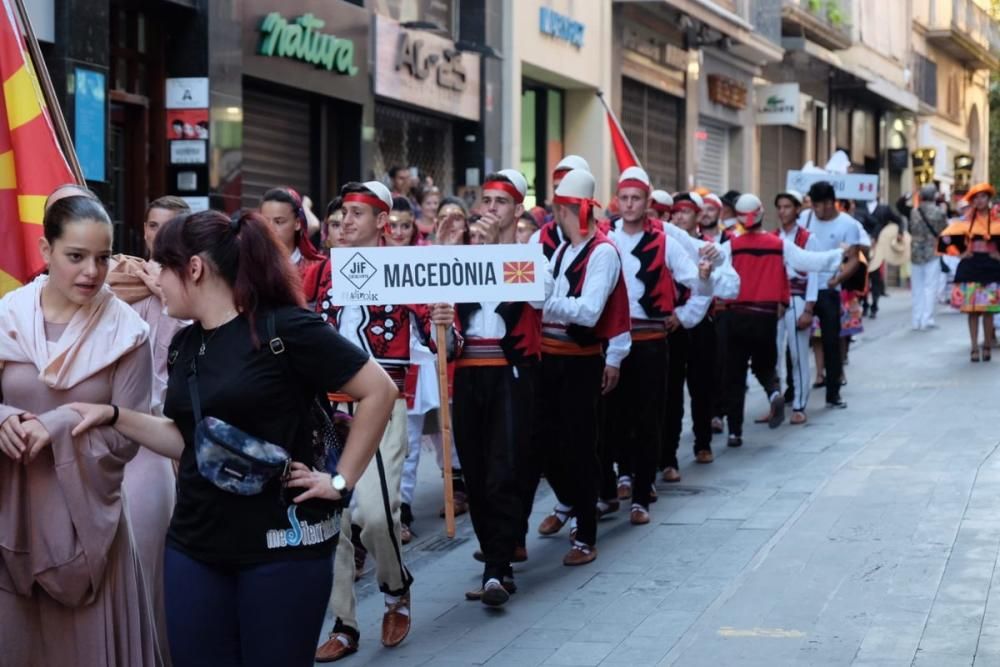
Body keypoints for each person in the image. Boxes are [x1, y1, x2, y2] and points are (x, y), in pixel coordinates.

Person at [70, 208, 396, 667]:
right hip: (194, 544)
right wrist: (115, 414)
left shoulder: (284, 329)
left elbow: (379, 390)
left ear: (195, 268)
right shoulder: (185, 344)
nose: (155, 277)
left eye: (162, 266)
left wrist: (340, 482)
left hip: (281, 548)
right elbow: (192, 441)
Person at [0, 196, 161, 666]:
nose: (92, 271)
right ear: (45, 250)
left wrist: (62, 425)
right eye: (76, 256)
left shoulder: (127, 332)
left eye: (103, 257)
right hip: (10, 507)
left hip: (88, 522)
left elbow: (128, 437)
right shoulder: (6, 317)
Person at [313, 181, 459, 662]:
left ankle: (396, 586)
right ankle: (344, 622)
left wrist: (443, 319)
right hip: (326, 406)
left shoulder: (405, 271)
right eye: (341, 215)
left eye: (357, 213)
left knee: (375, 515)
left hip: (384, 404)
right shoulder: (320, 275)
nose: (346, 222)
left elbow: (449, 344)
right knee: (330, 516)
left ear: (382, 221)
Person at [451, 169, 550, 605]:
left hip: (510, 372)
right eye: (486, 201)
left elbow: (541, 295)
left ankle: (498, 567)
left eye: (500, 203)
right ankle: (496, 554)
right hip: (468, 371)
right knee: (474, 471)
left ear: (518, 210)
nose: (490, 210)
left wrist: (493, 251)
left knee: (503, 468)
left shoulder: (532, 253)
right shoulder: (461, 254)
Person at [531, 168, 630, 566]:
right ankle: (571, 502)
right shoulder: (561, 250)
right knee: (545, 445)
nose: (556, 214)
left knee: (579, 447)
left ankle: (586, 533)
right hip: (549, 358)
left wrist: (544, 301)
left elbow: (589, 313)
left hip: (579, 362)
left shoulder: (603, 251)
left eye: (560, 207)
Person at [605, 168, 714, 524]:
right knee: (614, 414)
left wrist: (704, 272)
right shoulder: (606, 238)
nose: (630, 204)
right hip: (613, 340)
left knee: (649, 414)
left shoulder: (664, 241)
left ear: (648, 203)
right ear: (617, 201)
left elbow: (691, 279)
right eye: (625, 198)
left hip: (652, 340)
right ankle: (622, 474)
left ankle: (641, 493)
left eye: (636, 198)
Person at [660, 192, 739, 474]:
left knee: (701, 388)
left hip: (700, 325)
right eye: (675, 211)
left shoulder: (709, 248)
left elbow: (708, 290)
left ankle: (702, 443)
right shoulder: (664, 245)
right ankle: (667, 456)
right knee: (670, 394)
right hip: (669, 327)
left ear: (697, 216)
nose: (679, 216)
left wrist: (684, 316)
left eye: (685, 211)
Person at [800, 181, 862, 408]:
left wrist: (838, 278)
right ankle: (791, 389)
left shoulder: (848, 224)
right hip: (804, 286)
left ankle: (833, 392)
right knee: (797, 340)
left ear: (830, 203)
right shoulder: (805, 218)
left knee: (831, 341)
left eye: (819, 205)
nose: (816, 210)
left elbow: (855, 257)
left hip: (829, 288)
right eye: (813, 205)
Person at [772, 190, 819, 425]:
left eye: (787, 207)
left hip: (798, 297)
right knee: (773, 354)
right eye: (779, 207)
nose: (782, 211)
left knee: (797, 353)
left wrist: (809, 308)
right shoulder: (773, 237)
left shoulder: (807, 238)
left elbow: (813, 275)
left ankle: (800, 404)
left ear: (797, 209)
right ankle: (775, 403)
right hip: (775, 300)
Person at [942, 183, 1000, 360]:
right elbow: (946, 238)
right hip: (971, 265)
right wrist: (960, 252)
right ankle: (974, 347)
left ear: (989, 199)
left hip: (990, 266)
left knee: (989, 310)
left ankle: (987, 345)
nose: (980, 200)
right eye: (976, 198)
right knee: (972, 310)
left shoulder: (997, 220)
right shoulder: (965, 221)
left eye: (983, 197)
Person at [905, 184, 948, 331]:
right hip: (932, 252)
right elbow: (944, 231)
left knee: (917, 287)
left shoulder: (914, 212)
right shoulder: (939, 212)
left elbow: (910, 226)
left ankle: (916, 319)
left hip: (915, 252)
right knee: (930, 287)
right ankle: (927, 319)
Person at [531, 155, 592, 258]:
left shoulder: (607, 238)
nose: (561, 196)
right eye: (557, 188)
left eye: (569, 188)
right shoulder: (538, 239)